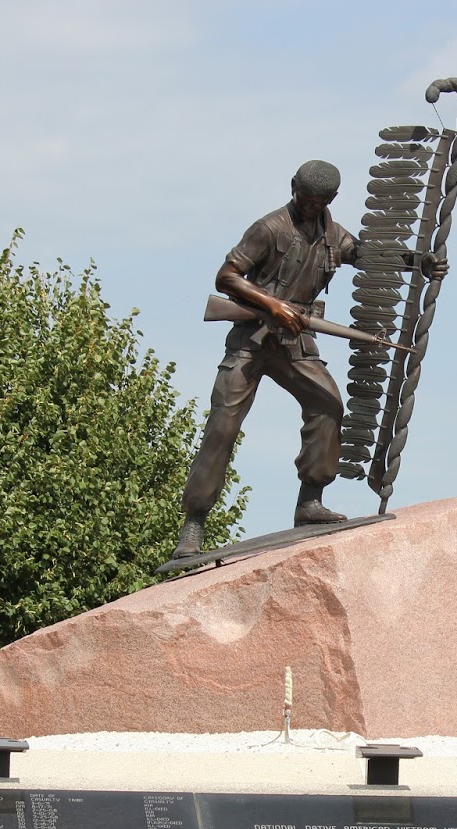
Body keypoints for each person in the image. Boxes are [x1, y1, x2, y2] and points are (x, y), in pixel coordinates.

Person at [171, 160, 358, 559]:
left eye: (320, 202)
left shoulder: (334, 236)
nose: (311, 207)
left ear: (332, 199)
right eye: (306, 199)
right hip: (251, 340)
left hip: (294, 344)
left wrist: (419, 262)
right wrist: (272, 305)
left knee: (328, 404)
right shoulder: (270, 228)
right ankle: (194, 524)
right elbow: (226, 277)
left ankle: (310, 502)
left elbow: (367, 256)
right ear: (293, 188)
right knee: (222, 425)